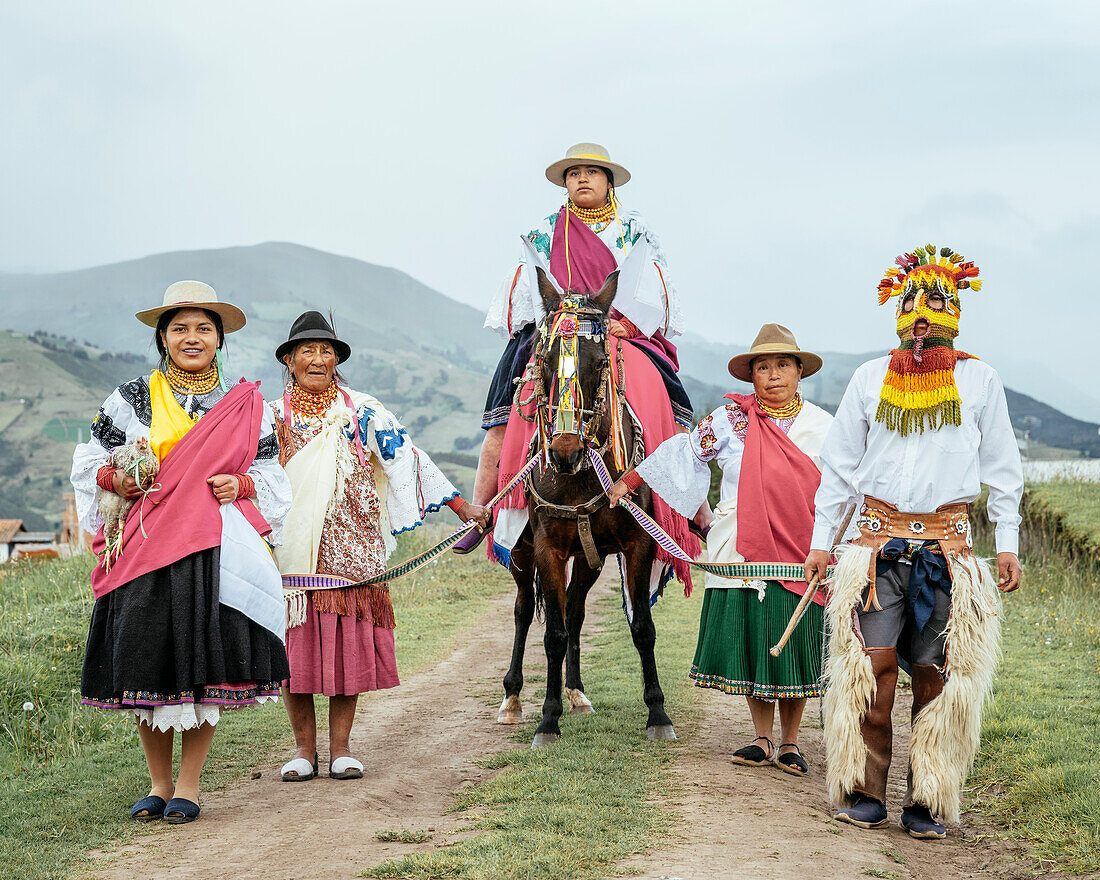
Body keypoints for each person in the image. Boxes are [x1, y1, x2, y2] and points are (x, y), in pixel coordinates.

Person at [804, 245, 1023, 839]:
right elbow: (841, 468)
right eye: (911, 303)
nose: (922, 316)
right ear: (897, 312)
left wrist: (1008, 542)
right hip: (875, 548)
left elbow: (1003, 466)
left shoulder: (980, 380)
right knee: (867, 668)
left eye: (936, 303)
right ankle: (862, 787)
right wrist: (825, 541)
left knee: (937, 675)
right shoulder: (869, 378)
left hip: (947, 551)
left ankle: (928, 798)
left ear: (955, 312)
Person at [71, 281, 292, 824]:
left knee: (203, 667)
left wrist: (239, 486)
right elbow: (88, 462)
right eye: (180, 328)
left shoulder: (245, 406)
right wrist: (115, 479)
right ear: (162, 337)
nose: (192, 338)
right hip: (145, 548)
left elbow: (269, 474)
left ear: (219, 339)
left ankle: (188, 788)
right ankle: (158, 784)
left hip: (213, 548)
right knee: (148, 661)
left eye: (203, 328)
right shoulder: (131, 398)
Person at [269, 312, 490, 781]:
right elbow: (251, 473)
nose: (317, 358)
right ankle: (304, 751)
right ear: (288, 360)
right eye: (306, 350)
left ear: (337, 361)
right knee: (298, 654)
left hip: (352, 550)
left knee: (345, 651)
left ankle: (342, 750)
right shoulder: (270, 417)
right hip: (291, 553)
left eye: (326, 351)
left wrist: (460, 506)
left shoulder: (361, 411)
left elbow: (408, 457)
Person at [454, 141, 701, 556]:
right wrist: (553, 323)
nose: (582, 178)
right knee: (504, 412)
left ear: (609, 181)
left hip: (617, 332)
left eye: (591, 171)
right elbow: (531, 284)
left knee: (673, 407)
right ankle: (485, 509)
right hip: (556, 329)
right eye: (573, 173)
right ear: (565, 184)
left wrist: (627, 324)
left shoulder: (634, 231)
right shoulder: (544, 231)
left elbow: (650, 285)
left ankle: (693, 509)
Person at [610, 324, 832, 775]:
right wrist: (632, 480)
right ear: (751, 377)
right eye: (763, 368)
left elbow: (843, 487)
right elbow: (686, 453)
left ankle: (791, 742)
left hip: (804, 547)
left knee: (793, 637)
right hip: (742, 549)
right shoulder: (729, 422)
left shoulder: (824, 427)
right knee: (756, 636)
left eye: (782, 366)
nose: (773, 375)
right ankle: (762, 737)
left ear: (799, 373)